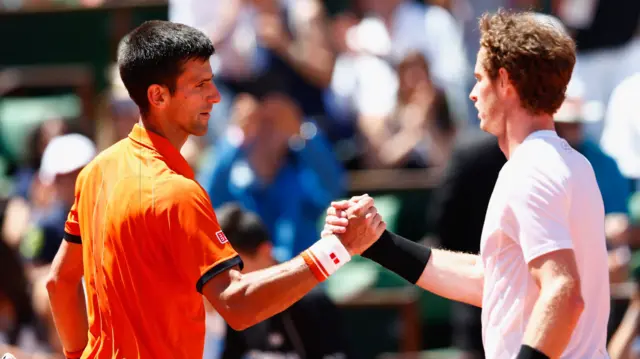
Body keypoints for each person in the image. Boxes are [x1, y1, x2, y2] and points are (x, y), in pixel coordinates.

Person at [44, 20, 385, 359]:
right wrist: (337, 248)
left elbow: (59, 283)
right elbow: (237, 305)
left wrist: (77, 355)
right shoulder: (178, 192)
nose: (215, 95)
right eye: (200, 85)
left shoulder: (96, 173)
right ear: (158, 96)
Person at [324, 9, 610, 359]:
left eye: (479, 78)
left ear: (504, 82)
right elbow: (492, 282)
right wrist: (379, 245)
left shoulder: (530, 168)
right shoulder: (571, 163)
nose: (473, 94)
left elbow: (563, 290)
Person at [214, 203, 350, 359]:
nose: (230, 276)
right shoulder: (234, 304)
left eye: (236, 266)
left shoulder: (312, 302)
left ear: (265, 252)